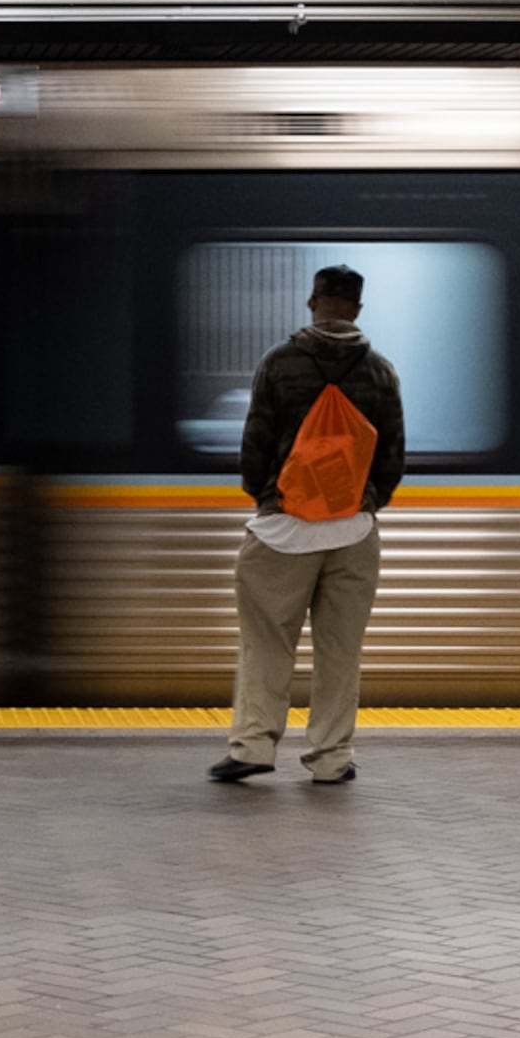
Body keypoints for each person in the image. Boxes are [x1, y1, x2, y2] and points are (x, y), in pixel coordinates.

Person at [210, 264, 403, 785]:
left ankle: (253, 745)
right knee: (341, 652)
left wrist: (271, 498)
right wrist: (361, 504)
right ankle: (330, 758)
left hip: (283, 533)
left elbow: (254, 447)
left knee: (267, 643)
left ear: (312, 302)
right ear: (357, 310)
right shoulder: (380, 372)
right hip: (353, 534)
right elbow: (391, 459)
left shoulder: (279, 363)